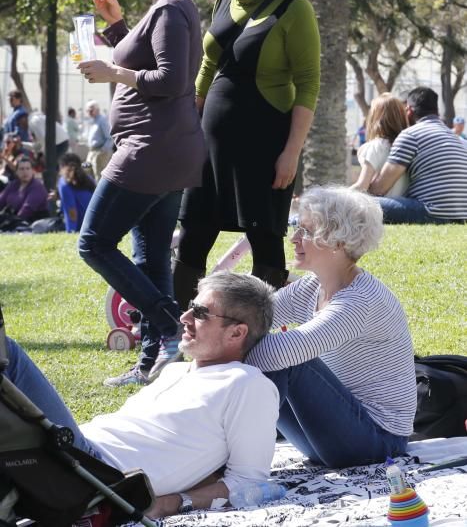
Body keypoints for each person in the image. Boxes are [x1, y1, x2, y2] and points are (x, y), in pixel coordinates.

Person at [4, 272, 279, 519]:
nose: (184, 318)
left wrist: (172, 503)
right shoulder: (177, 372)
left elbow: (250, 481)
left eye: (200, 312)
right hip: (71, 451)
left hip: (94, 471)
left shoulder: (247, 385)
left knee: (7, 352)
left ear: (236, 333)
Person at [77, 0, 210, 387]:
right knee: (150, 258)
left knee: (93, 243)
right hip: (166, 150)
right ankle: (153, 362)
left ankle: (171, 325)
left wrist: (113, 70)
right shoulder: (166, 8)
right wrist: (116, 25)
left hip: (151, 149)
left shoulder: (172, 8)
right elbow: (149, 58)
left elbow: (173, 80)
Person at [175, 0, 320, 308]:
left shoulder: (296, 9)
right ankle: (180, 336)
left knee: (265, 240)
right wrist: (188, 123)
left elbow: (308, 84)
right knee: (192, 235)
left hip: (264, 144)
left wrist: (291, 153)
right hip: (210, 142)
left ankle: (264, 342)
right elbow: (207, 64)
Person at [246, 185, 417, 468]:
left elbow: (277, 355)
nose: (294, 239)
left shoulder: (360, 300)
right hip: (334, 439)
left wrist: (223, 341)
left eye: (306, 232)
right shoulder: (314, 285)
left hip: (378, 443)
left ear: (339, 242)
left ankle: (237, 460)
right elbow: (258, 316)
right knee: (257, 342)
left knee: (287, 358)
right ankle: (224, 453)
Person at [369, 86, 467, 224]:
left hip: (431, 212)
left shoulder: (410, 135)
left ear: (408, 110)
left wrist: (364, 187)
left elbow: (381, 187)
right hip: (461, 215)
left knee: (363, 204)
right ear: (436, 110)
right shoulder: (454, 137)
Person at [351, 93, 409, 196]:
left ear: (375, 119)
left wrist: (337, 195)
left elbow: (362, 186)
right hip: (405, 208)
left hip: (381, 209)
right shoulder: (408, 147)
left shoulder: (375, 147)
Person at [0, 157, 49, 229]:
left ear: (32, 171)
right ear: (16, 172)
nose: (25, 172)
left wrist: (9, 221)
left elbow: (26, 210)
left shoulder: (37, 187)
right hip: (15, 220)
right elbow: (1, 200)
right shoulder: (13, 185)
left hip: (33, 224)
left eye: (28, 168)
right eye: (21, 169)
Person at [57, 153, 95, 232]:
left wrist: (71, 232)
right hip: (95, 225)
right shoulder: (90, 179)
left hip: (80, 227)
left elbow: (71, 211)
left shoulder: (64, 184)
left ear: (62, 167)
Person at [84, 101, 113, 181]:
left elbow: (110, 138)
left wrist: (103, 150)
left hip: (100, 151)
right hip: (91, 151)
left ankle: (98, 193)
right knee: (86, 171)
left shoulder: (102, 120)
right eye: (87, 110)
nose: (89, 112)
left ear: (97, 110)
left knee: (98, 175)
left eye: (91, 110)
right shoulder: (92, 121)